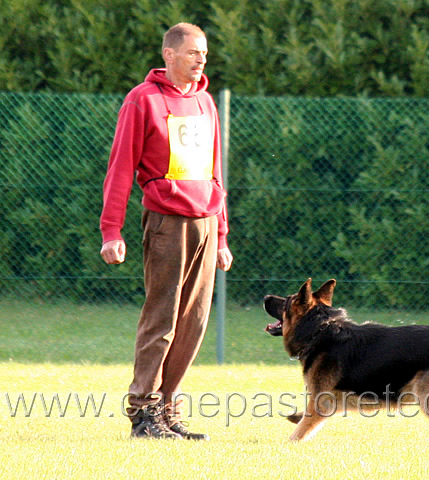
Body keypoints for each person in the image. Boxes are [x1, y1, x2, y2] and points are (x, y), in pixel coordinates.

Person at [99, 22, 233, 440]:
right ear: (169, 55)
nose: (201, 59)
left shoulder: (207, 102)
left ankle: (168, 409)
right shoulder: (143, 100)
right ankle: (143, 412)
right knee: (163, 319)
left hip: (206, 223)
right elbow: (120, 167)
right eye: (193, 52)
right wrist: (111, 230)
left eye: (205, 53)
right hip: (166, 223)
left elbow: (215, 173)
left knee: (193, 322)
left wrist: (223, 235)